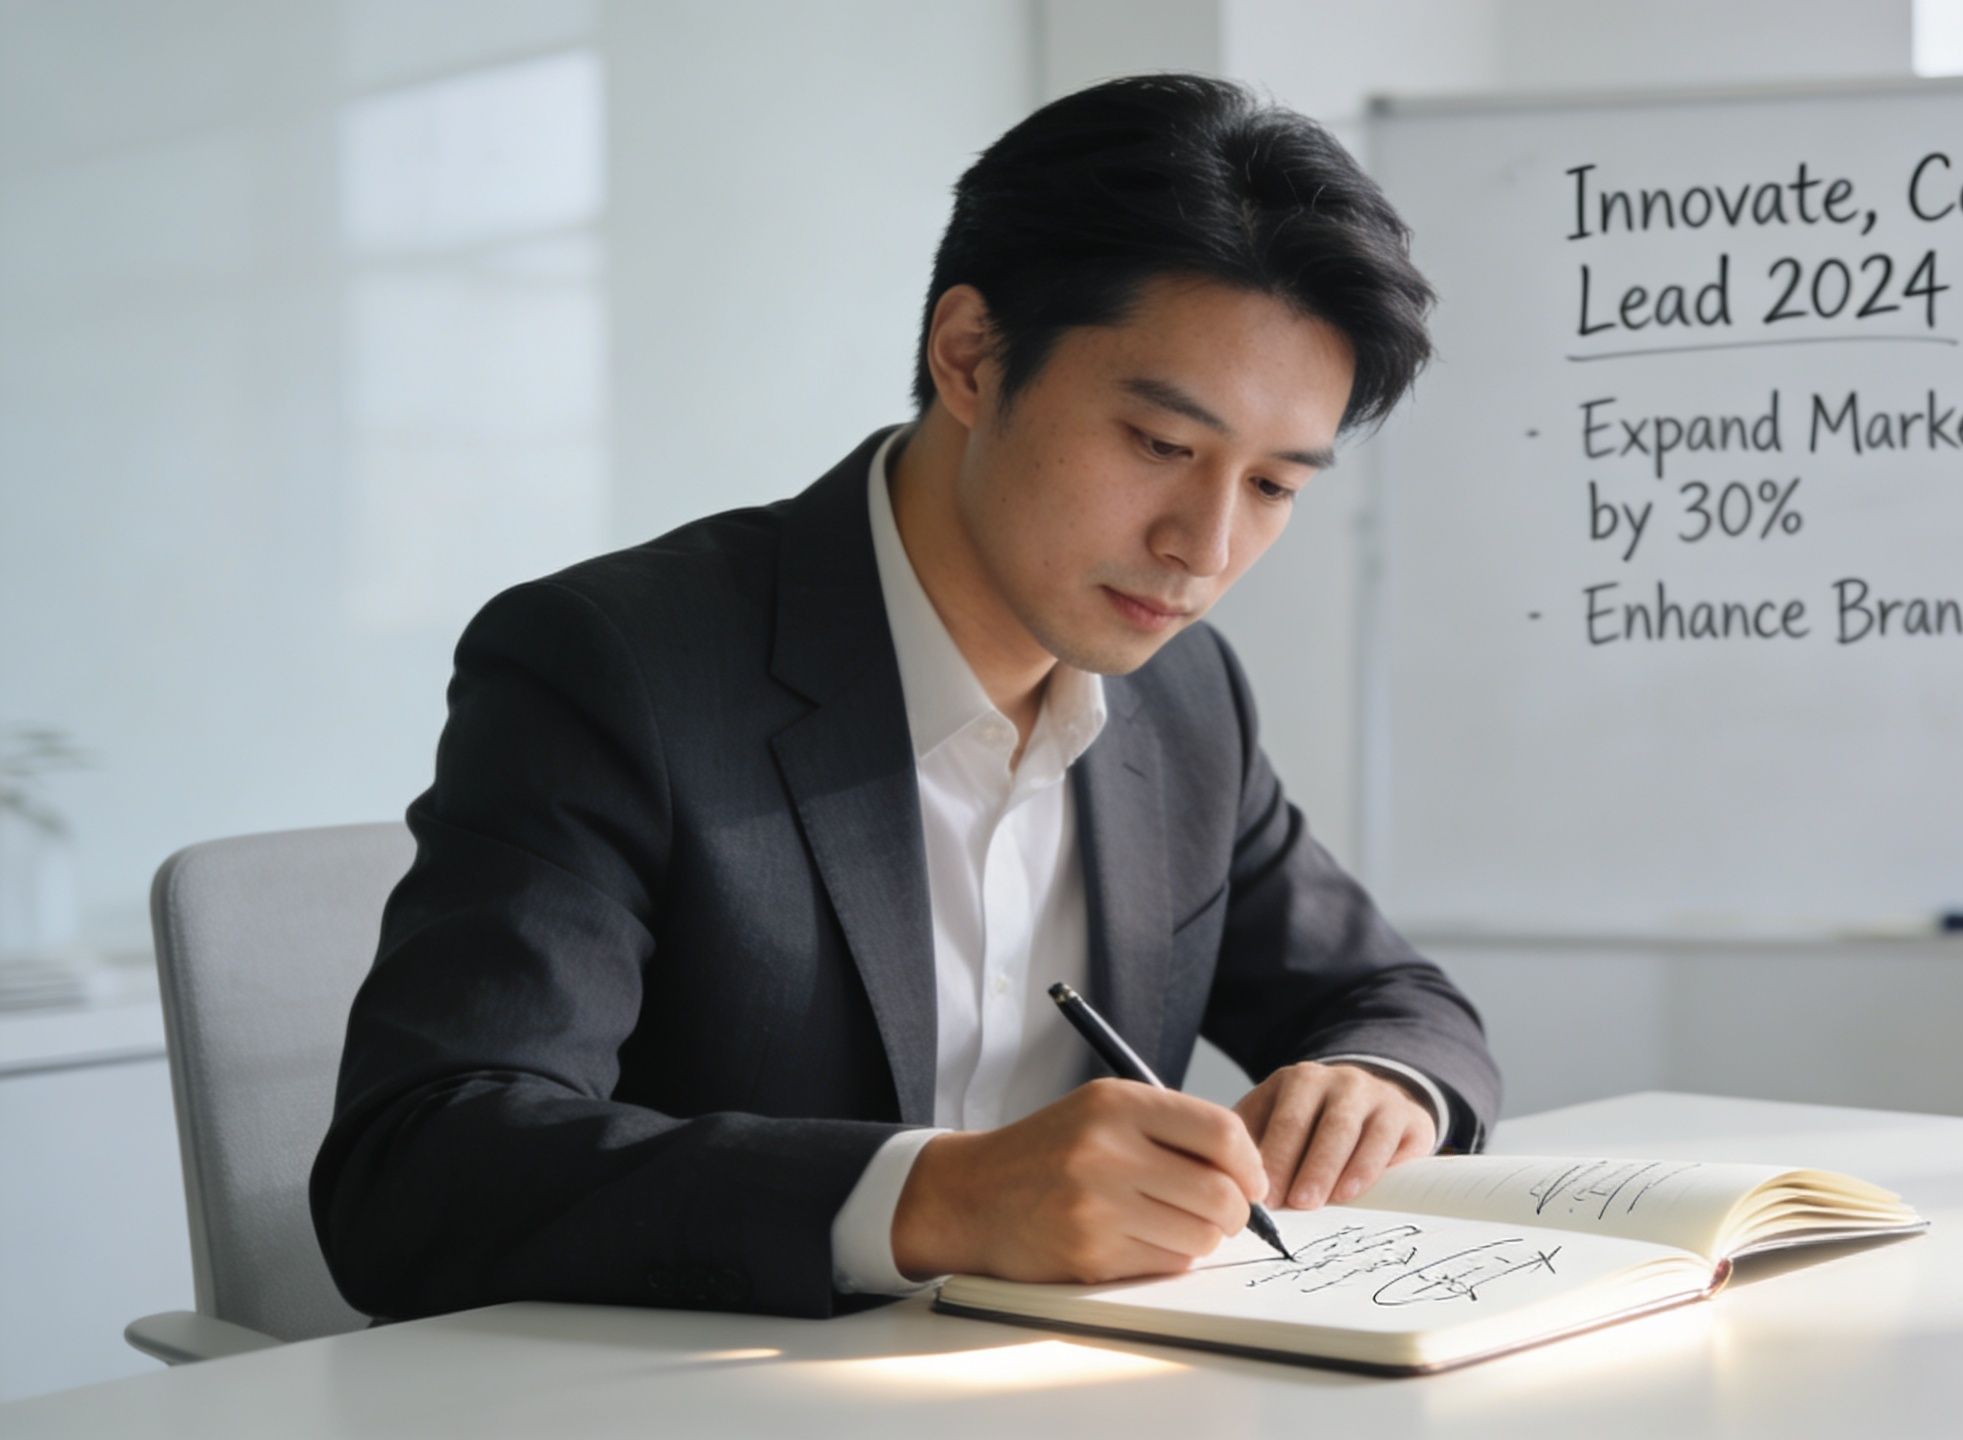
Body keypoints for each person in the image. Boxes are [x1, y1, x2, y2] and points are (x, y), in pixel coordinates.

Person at [309, 71, 1499, 1322]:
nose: (1202, 549)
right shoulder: (616, 663)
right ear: (972, 357)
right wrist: (938, 1197)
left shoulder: (1183, 693)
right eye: (1160, 446)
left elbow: (1397, 1003)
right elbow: (423, 1169)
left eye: (1272, 488)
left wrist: (1381, 1085)